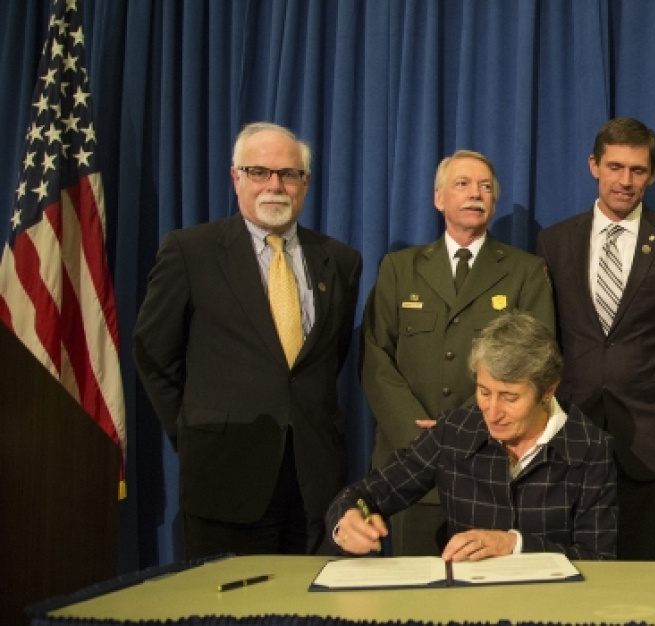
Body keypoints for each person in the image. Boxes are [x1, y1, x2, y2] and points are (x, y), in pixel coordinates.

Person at [134, 122, 362, 558]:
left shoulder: (341, 260)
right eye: (259, 172)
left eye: (288, 174)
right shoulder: (190, 251)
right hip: (224, 477)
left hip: (316, 484)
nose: (275, 185)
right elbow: (154, 354)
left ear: (306, 183)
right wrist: (198, 432)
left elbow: (328, 359)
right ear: (236, 177)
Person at [361, 150, 555, 556]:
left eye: (486, 187)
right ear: (438, 198)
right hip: (408, 463)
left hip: (488, 464)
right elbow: (376, 358)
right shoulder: (399, 268)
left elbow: (534, 360)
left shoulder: (524, 270)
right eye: (462, 184)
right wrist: (418, 440)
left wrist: (461, 431)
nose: (475, 194)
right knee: (413, 601)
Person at [535, 117, 655, 559]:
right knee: (575, 559)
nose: (625, 181)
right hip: (576, 426)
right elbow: (548, 337)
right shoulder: (554, 241)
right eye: (615, 167)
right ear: (594, 165)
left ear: (651, 174)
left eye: (637, 170)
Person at [329, 312, 617, 561]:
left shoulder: (590, 449)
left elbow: (597, 559)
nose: (492, 412)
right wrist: (348, 521)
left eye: (509, 397)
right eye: (484, 392)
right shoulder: (454, 432)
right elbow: (365, 494)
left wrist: (514, 545)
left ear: (548, 391)